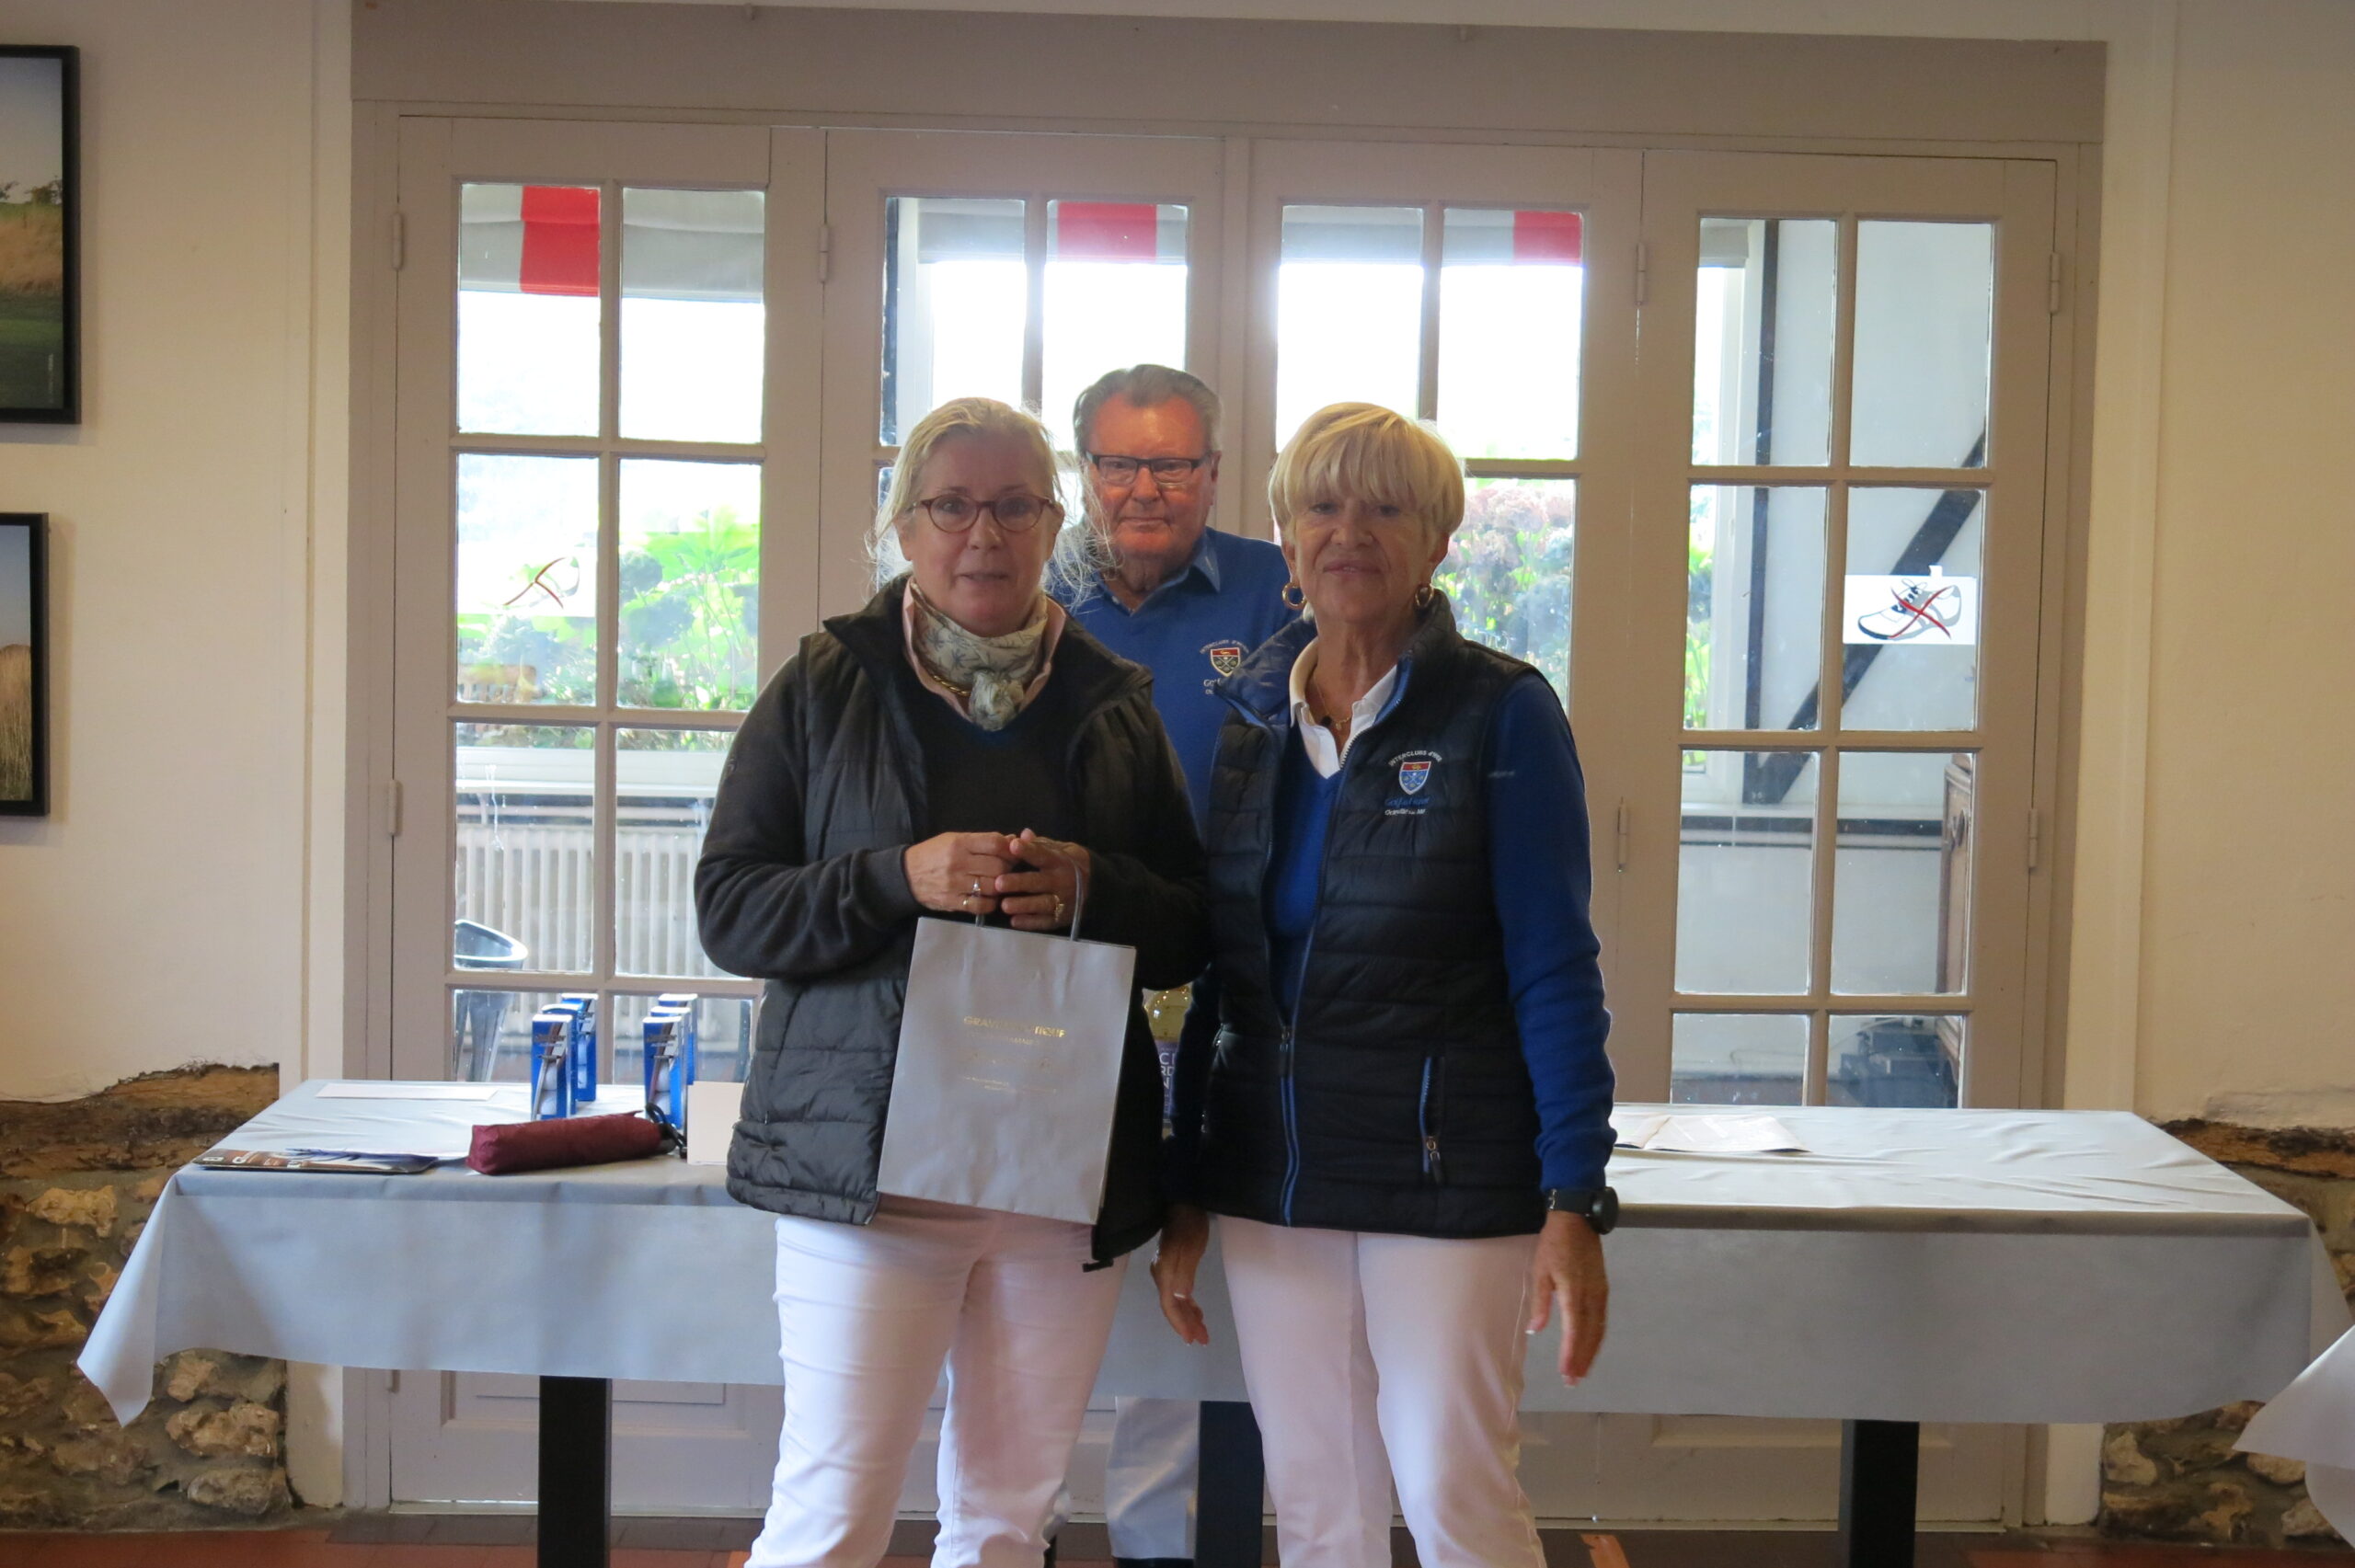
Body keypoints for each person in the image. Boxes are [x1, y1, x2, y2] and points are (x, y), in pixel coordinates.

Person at [696, 396, 1211, 1568]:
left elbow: (1191, 926)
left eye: (1016, 506)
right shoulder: (824, 683)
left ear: (1055, 525)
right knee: (831, 1514)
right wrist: (895, 878)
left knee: (1005, 1522)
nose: (985, 534)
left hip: (1055, 1175)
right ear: (903, 526)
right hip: (869, 1179)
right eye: (952, 506)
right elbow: (731, 907)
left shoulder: (1113, 701)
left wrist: (1092, 889)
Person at [1153, 403, 1617, 1568]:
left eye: (1385, 508)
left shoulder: (1502, 712)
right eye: (1322, 505)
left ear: (1438, 542)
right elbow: (1221, 969)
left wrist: (1575, 1194)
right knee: (1319, 1504)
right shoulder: (1251, 719)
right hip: (1275, 1173)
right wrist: (1187, 1173)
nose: (1348, 531)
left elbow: (1554, 964)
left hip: (1447, 1172)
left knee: (1453, 1490)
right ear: (1284, 536)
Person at [1049, 364, 1295, 1568]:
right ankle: (1020, 1526)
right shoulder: (1031, 594)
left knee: (1186, 1275)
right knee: (1039, 1265)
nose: (1144, 488)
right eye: (1119, 463)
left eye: (1172, 464)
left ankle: (1159, 1543)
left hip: (1230, 977)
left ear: (1213, 472)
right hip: (1061, 980)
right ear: (1083, 471)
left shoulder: (1280, 588)